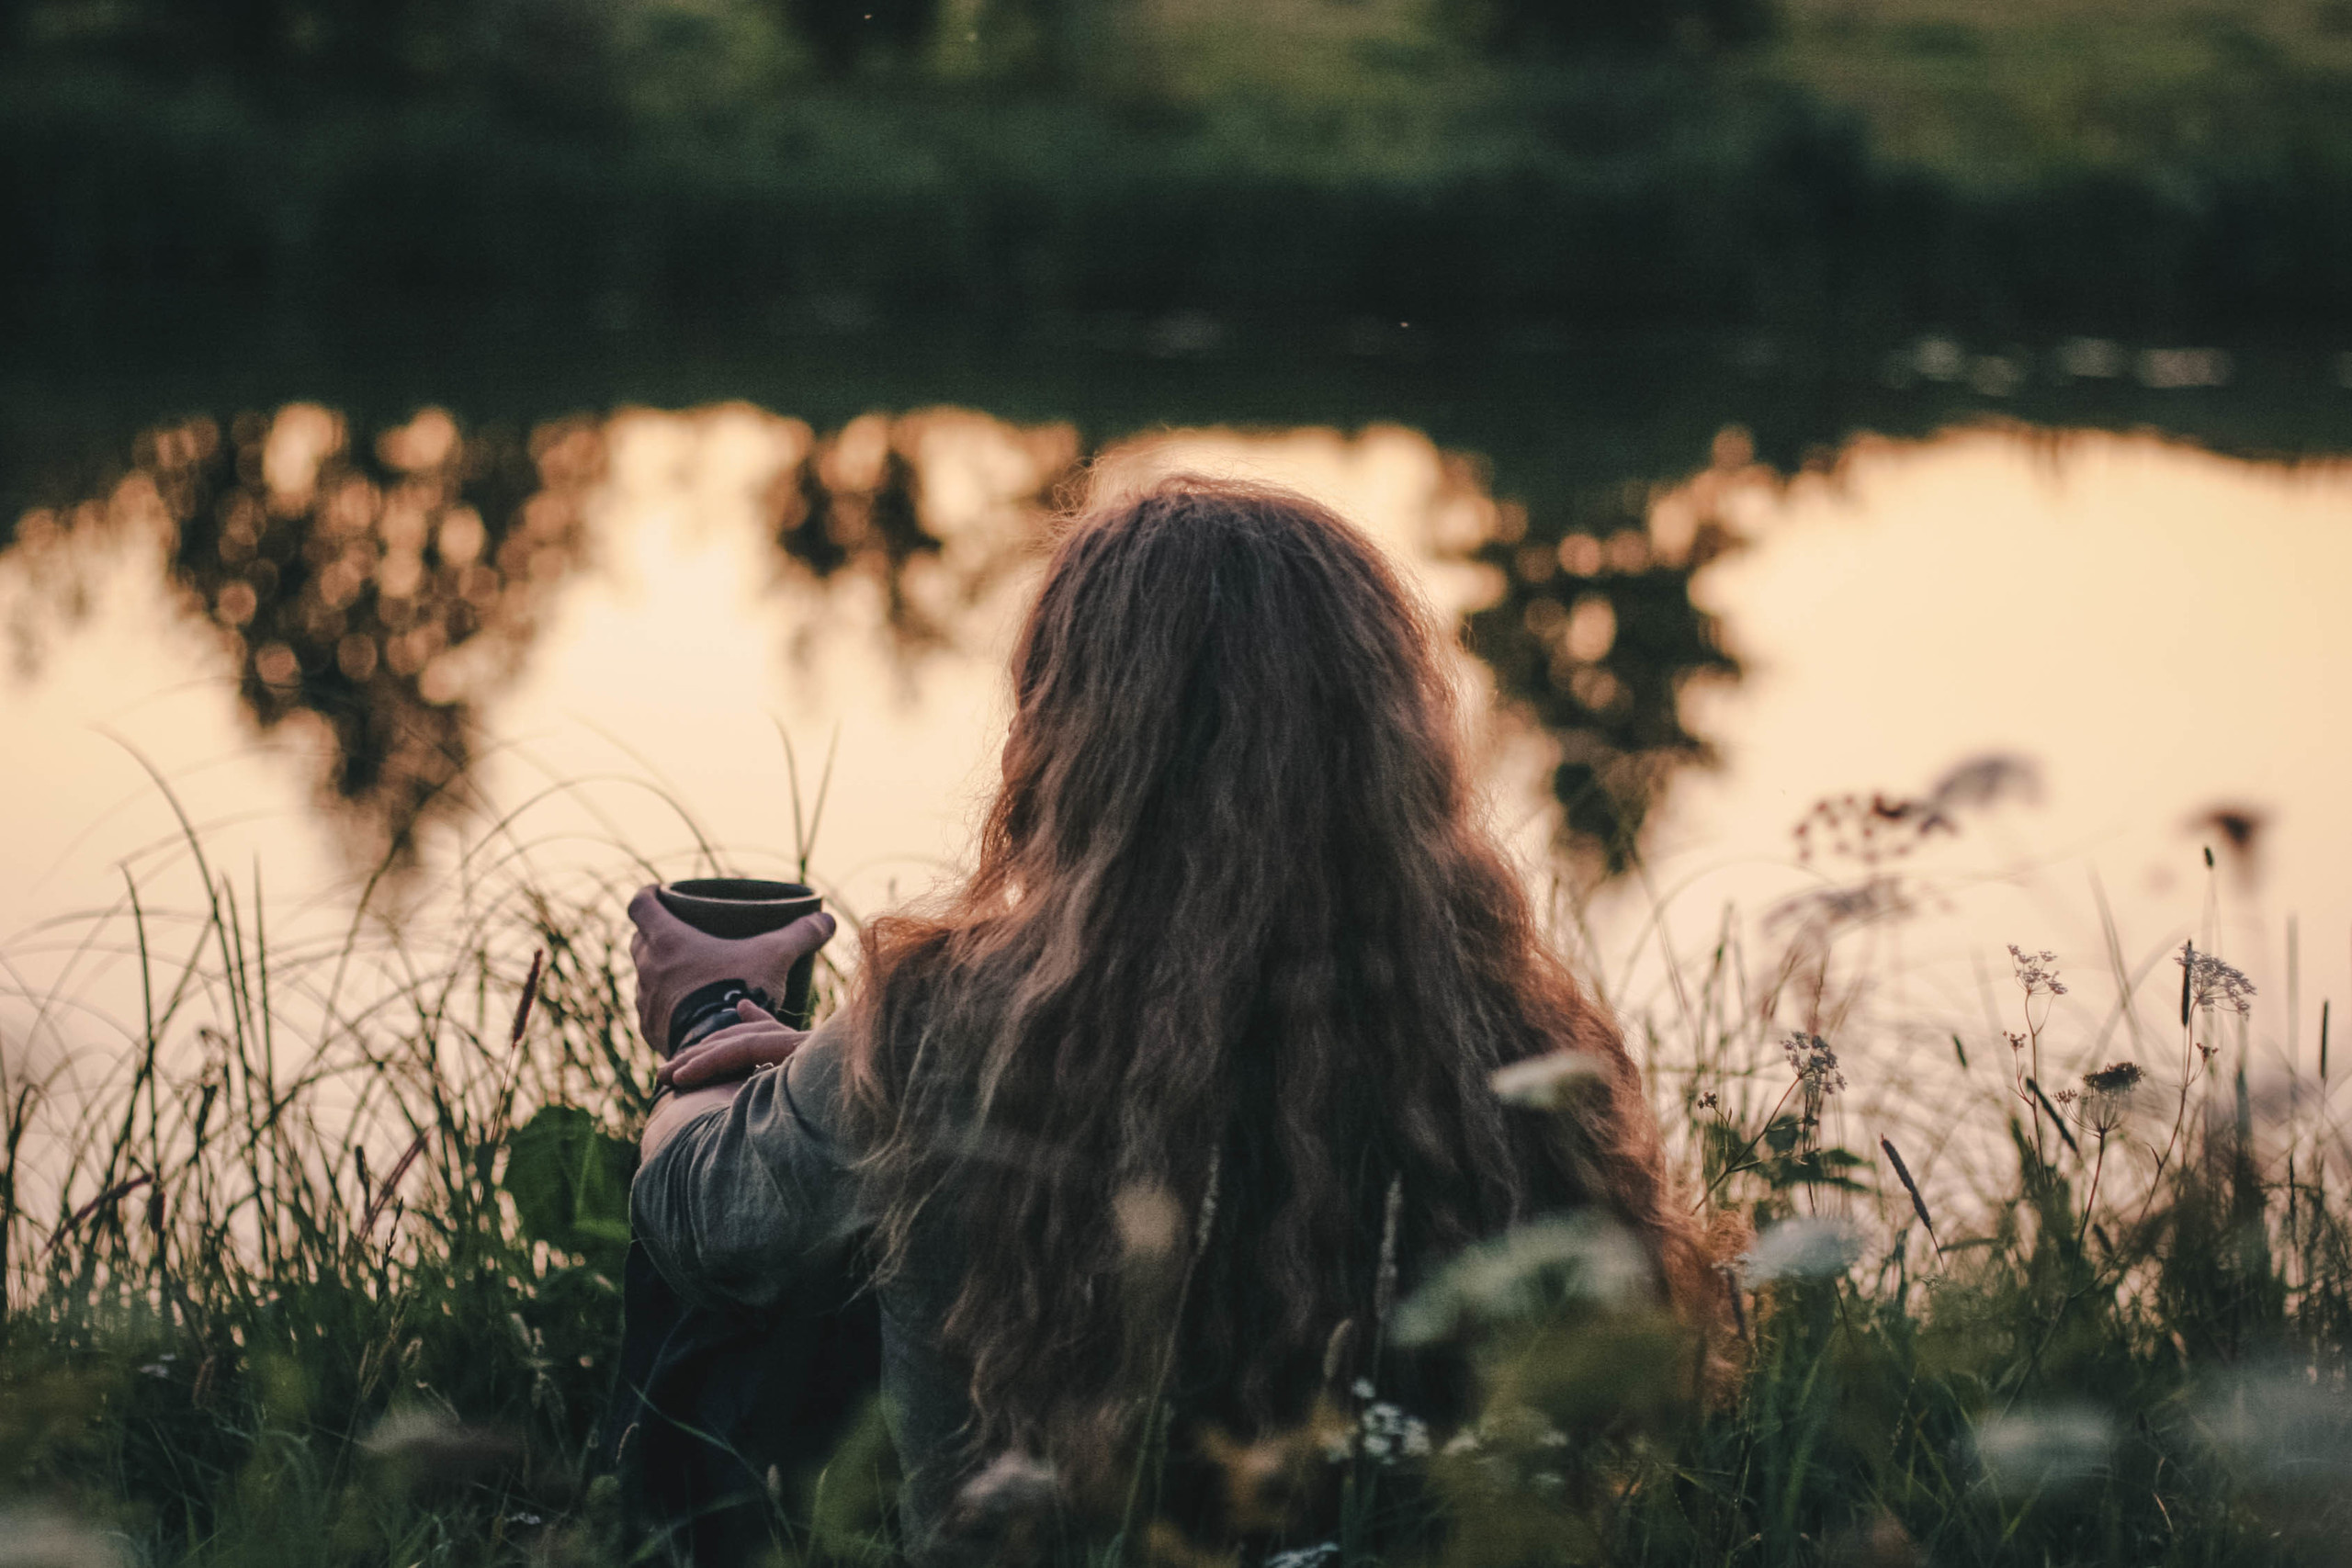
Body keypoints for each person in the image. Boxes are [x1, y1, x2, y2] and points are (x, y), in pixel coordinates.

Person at [619, 479, 1715, 1563]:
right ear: (1389, 733)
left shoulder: (951, 1019)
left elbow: (701, 1219)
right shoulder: (1517, 1040)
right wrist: (825, 1072)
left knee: (736, 1294)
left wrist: (711, 1019)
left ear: (1071, 730)